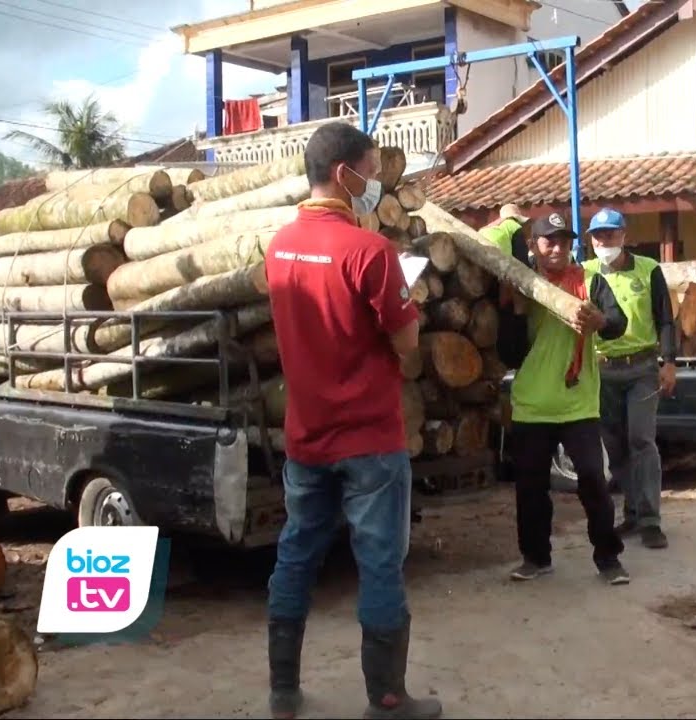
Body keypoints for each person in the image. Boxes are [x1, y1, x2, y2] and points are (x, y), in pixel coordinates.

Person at [262, 122, 442, 720]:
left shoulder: (280, 245)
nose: (374, 183)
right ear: (344, 174)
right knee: (379, 563)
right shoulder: (370, 251)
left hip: (306, 437)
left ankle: (283, 692)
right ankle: (387, 699)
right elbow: (408, 342)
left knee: (295, 555)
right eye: (370, 170)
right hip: (368, 438)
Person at [497, 211, 633, 585]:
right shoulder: (521, 284)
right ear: (532, 246)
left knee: (593, 481)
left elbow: (618, 323)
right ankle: (535, 558)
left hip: (579, 402)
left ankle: (609, 559)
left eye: (563, 240)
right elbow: (509, 354)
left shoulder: (590, 281)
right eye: (548, 241)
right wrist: (515, 311)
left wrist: (599, 322)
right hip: (532, 404)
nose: (557, 248)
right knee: (530, 489)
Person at [582, 208, 677, 550]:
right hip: (602, 369)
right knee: (615, 444)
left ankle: (651, 519)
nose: (604, 241)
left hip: (641, 367)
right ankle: (633, 510)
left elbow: (665, 318)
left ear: (624, 235)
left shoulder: (648, 269)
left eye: (610, 234)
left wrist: (669, 362)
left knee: (641, 440)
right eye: (598, 236)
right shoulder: (585, 272)